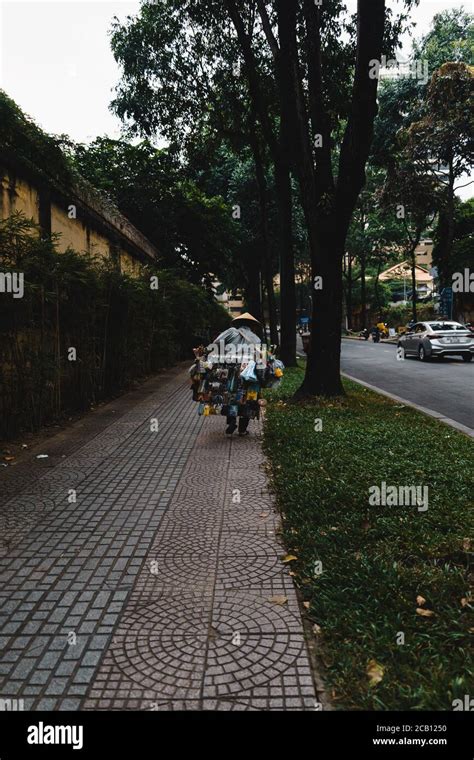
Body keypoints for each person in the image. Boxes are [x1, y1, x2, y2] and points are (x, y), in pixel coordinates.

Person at [190, 312, 283, 437]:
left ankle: (232, 422)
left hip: (230, 368)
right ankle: (242, 430)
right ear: (252, 326)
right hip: (249, 371)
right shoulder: (256, 338)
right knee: (248, 398)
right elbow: (260, 357)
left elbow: (216, 343)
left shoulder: (231, 331)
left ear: (239, 323)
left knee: (230, 395)